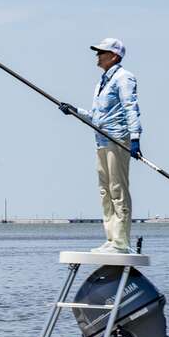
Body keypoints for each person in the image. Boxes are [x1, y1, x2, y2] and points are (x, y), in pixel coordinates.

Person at [58, 37, 142, 254]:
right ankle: (111, 238)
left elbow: (131, 107)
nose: (97, 56)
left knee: (117, 189)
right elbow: (98, 116)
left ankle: (121, 242)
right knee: (105, 190)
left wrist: (135, 138)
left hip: (117, 140)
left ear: (114, 56)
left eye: (102, 52)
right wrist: (75, 111)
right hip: (101, 140)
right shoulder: (102, 82)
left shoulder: (124, 78)